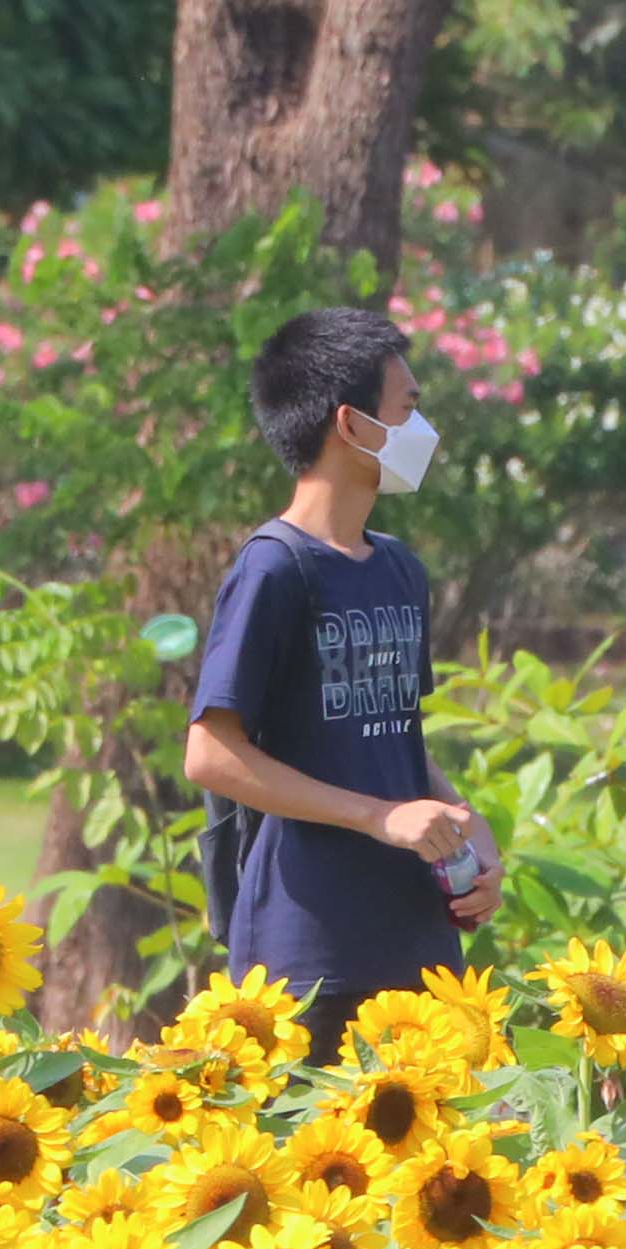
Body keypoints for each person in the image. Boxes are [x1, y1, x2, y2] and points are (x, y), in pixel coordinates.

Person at [182, 307, 503, 1067]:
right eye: (410, 408)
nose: (423, 429)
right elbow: (210, 754)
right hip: (307, 960)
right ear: (353, 426)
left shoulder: (399, 568)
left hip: (418, 950)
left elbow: (394, 743)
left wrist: (466, 827)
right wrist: (379, 817)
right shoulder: (273, 568)